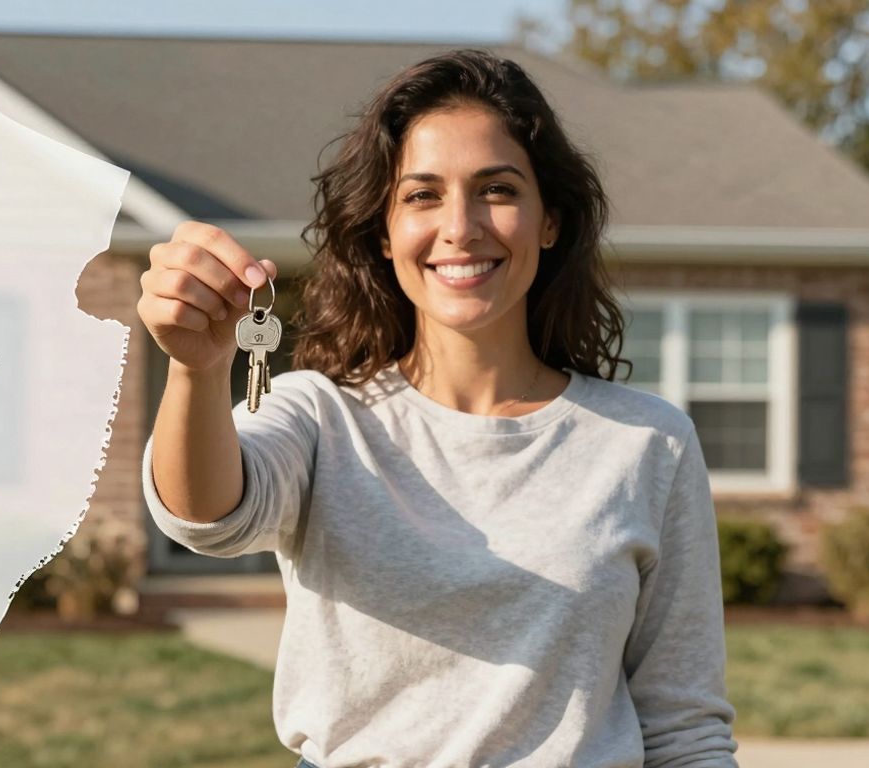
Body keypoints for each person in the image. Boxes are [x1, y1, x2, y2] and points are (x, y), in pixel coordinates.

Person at [136, 48, 738, 768]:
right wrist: (197, 371)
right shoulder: (322, 417)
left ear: (550, 220)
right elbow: (207, 517)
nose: (461, 226)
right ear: (384, 234)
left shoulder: (649, 443)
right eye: (423, 195)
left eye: (498, 190)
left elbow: (685, 729)